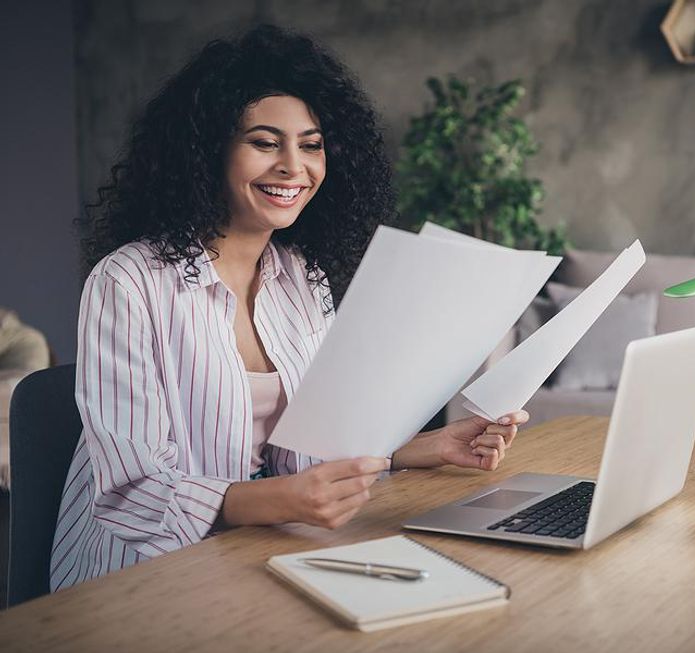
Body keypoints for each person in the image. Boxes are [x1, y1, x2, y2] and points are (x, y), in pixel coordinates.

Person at [51, 24, 530, 591]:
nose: (293, 167)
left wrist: (416, 449)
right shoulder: (129, 281)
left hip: (262, 550)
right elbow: (130, 493)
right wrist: (275, 498)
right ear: (209, 153)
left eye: (311, 144)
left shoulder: (301, 278)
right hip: (134, 578)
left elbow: (309, 450)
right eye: (264, 142)